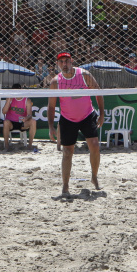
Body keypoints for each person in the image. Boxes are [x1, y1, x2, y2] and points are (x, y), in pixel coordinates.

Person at [47, 52, 104, 196]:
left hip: (87, 115)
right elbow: (51, 106)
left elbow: (98, 92)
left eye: (67, 61)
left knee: (95, 146)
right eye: (61, 62)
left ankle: (94, 177)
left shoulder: (84, 75)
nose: (64, 64)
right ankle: (65, 186)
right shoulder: (55, 82)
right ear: (58, 64)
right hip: (68, 119)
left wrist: (102, 114)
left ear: (71, 61)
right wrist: (50, 126)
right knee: (67, 152)